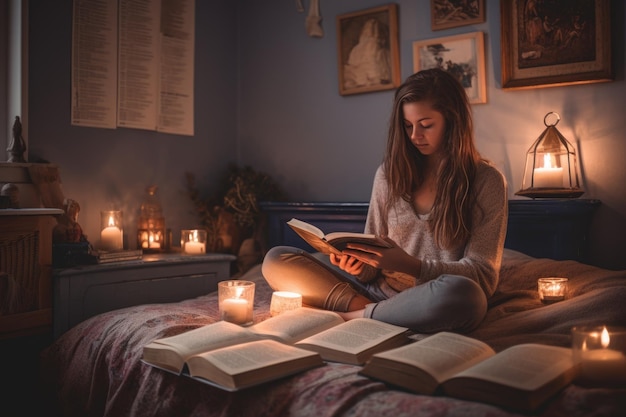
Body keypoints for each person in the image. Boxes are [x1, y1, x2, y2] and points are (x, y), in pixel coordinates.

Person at [262, 68, 508, 333]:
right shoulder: (389, 175)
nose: (415, 136)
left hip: (430, 299)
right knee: (277, 259)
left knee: (467, 297)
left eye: (426, 125)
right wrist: (357, 266)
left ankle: (352, 317)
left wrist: (409, 265)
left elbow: (482, 276)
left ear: (453, 121)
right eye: (408, 125)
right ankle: (365, 310)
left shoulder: (487, 181)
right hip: (375, 293)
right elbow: (371, 267)